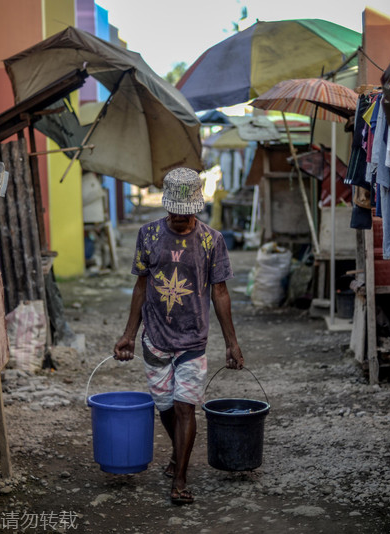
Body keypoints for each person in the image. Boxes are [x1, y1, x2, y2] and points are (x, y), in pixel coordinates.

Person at [114, 167, 244, 506]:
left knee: (187, 407)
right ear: (167, 206)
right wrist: (129, 334)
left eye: (187, 214)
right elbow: (141, 285)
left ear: (196, 209)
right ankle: (177, 453)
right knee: (166, 407)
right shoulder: (148, 236)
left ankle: (181, 479)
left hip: (193, 340)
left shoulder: (210, 240)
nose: (181, 219)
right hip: (155, 339)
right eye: (175, 212)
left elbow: (220, 293)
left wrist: (232, 342)